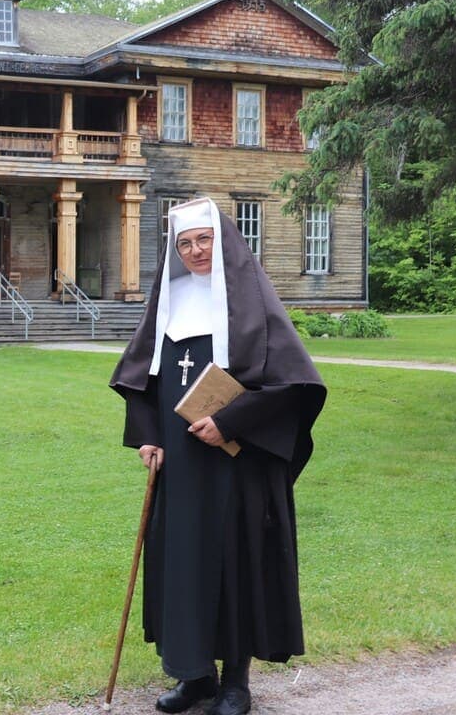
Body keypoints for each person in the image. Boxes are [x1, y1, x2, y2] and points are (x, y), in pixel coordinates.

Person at [108, 198, 326, 715]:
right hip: (180, 469)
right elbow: (144, 381)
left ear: (223, 240)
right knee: (182, 563)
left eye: (203, 239)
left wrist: (228, 423)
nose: (195, 250)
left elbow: (294, 386)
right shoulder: (168, 303)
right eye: (184, 243)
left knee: (234, 562)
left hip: (237, 465)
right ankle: (195, 676)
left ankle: (235, 681)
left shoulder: (253, 303)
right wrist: (147, 436)